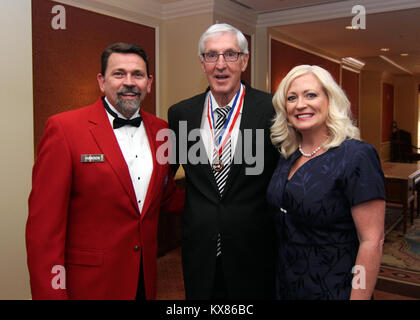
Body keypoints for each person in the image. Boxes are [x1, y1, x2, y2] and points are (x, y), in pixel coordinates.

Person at [26, 42, 184, 300]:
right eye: (119, 74)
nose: (129, 82)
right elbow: (43, 232)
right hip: (90, 286)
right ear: (102, 81)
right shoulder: (65, 129)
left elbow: (165, 197)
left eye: (138, 75)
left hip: (144, 280)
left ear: (149, 82)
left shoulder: (161, 131)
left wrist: (221, 196)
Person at [168, 23, 279, 299]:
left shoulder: (273, 110)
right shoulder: (181, 114)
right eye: (211, 55)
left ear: (244, 60)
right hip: (200, 251)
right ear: (202, 63)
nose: (220, 64)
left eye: (230, 54)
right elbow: (164, 174)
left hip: (254, 251)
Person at [267, 64, 386, 300]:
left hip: (335, 288)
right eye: (292, 98)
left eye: (311, 95)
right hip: (286, 286)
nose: (300, 104)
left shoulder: (356, 156)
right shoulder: (288, 155)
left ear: (330, 100)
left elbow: (372, 241)